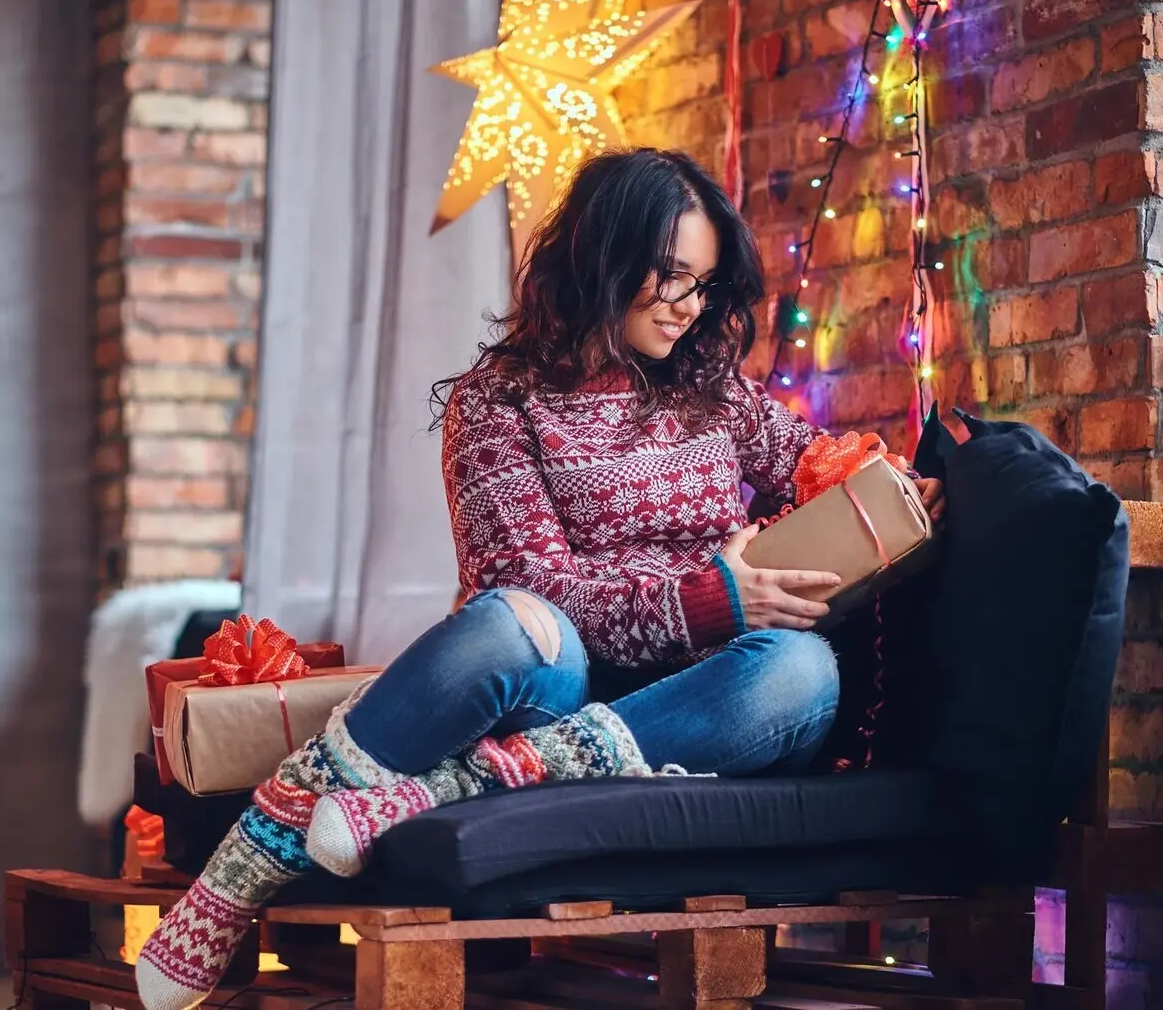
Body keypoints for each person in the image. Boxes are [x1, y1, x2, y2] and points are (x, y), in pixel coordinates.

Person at [134, 148, 947, 1010]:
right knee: (508, 622)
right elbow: (539, 591)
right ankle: (256, 847)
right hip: (558, 680)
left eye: (702, 285)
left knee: (804, 671)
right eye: (667, 276)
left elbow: (814, 465)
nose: (687, 307)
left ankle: (446, 786)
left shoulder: (719, 393)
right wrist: (711, 597)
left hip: (698, 707)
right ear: (602, 257)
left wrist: (899, 491)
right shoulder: (498, 402)